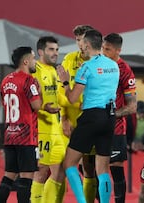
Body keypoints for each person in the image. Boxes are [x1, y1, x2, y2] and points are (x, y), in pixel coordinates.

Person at [57, 29, 119, 203]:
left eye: (82, 42)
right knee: (103, 169)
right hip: (110, 116)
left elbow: (72, 98)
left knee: (69, 164)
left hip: (92, 116)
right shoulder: (113, 65)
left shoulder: (87, 67)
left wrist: (64, 81)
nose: (81, 45)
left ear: (88, 45)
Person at [81, 33, 137, 203]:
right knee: (93, 169)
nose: (103, 52)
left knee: (115, 168)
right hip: (94, 126)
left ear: (118, 50)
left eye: (108, 49)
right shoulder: (94, 65)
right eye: (103, 48)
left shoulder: (124, 70)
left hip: (116, 128)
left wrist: (111, 114)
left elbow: (132, 106)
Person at [0, 46, 42, 203]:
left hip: (10, 135)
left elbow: (5, 103)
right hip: (26, 137)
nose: (35, 62)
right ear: (26, 61)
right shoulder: (30, 80)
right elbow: (36, 105)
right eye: (34, 58)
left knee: (9, 176)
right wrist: (40, 94)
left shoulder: (5, 80)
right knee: (26, 179)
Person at [57, 24, 95, 203]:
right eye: (78, 40)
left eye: (83, 39)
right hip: (69, 123)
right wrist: (64, 118)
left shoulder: (98, 61)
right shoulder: (69, 59)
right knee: (60, 167)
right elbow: (60, 90)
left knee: (89, 167)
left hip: (90, 121)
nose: (80, 43)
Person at [30, 36, 65, 203]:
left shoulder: (54, 71)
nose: (55, 53)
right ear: (40, 52)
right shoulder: (34, 69)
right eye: (51, 49)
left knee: (59, 172)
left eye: (57, 50)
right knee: (41, 171)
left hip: (55, 128)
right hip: (40, 128)